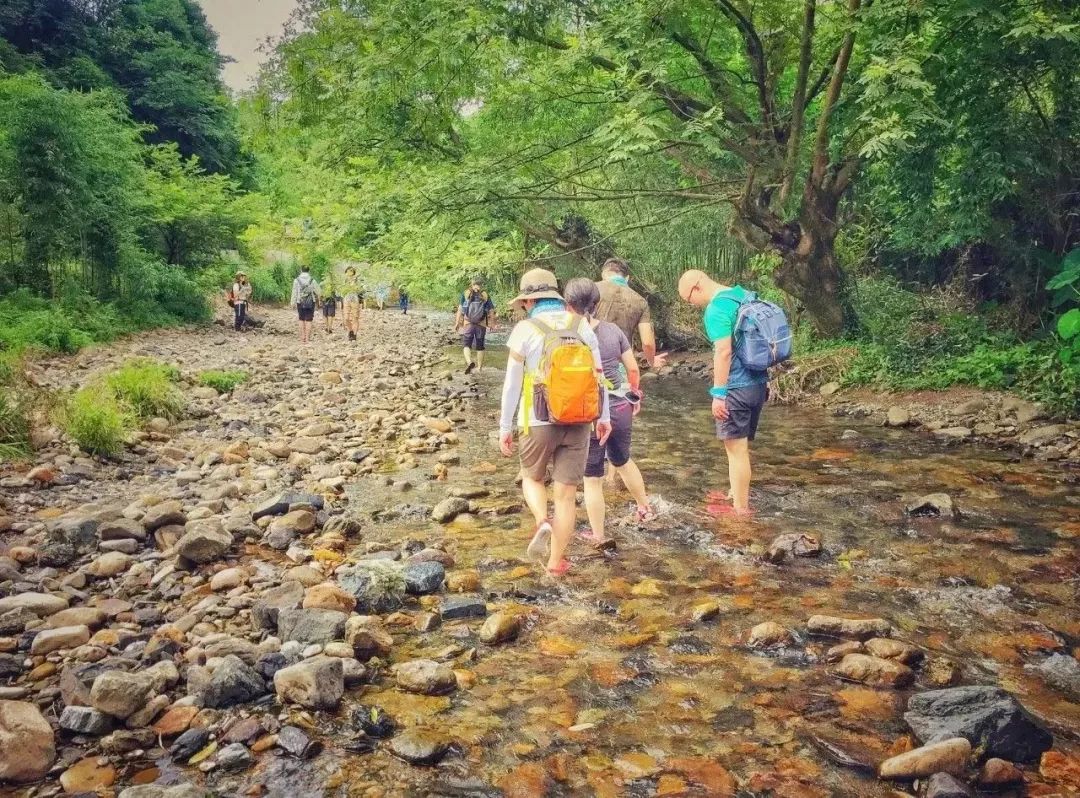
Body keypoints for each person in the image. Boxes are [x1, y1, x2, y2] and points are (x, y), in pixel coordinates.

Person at [499, 268, 611, 577]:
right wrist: (604, 417)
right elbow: (598, 377)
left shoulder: (525, 329)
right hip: (579, 420)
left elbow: (511, 384)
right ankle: (556, 563)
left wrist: (505, 428)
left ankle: (541, 521)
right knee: (566, 495)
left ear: (530, 300)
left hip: (538, 420)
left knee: (532, 478)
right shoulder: (582, 326)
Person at [564, 278, 655, 549]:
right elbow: (633, 370)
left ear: (567, 304)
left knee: (592, 479)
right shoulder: (613, 330)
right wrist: (634, 394)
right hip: (620, 406)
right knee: (623, 460)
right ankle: (645, 509)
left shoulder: (567, 334)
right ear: (596, 303)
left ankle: (598, 535)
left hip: (591, 412)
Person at [678, 269, 769, 517]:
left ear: (696, 287)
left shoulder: (716, 309)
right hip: (759, 383)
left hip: (736, 387)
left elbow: (723, 352)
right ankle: (734, 493)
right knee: (740, 447)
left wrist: (719, 394)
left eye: (688, 299)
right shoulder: (744, 295)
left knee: (736, 451)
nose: (692, 304)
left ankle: (740, 510)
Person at [595, 258, 667, 369]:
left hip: (592, 362)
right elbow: (647, 342)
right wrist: (651, 361)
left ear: (604, 274)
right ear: (627, 278)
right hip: (620, 365)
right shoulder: (640, 301)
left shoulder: (592, 290)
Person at [455, 276, 496, 374]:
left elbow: (460, 309)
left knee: (466, 345)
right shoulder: (485, 294)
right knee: (480, 346)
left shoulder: (466, 293)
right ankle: (479, 368)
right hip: (481, 324)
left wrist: (457, 322)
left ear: (472, 284)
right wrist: (492, 323)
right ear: (481, 285)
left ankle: (469, 362)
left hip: (468, 323)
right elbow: (491, 310)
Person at [290, 266, 321, 343]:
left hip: (300, 301)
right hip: (310, 302)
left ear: (301, 270)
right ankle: (307, 338)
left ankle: (302, 337)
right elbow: (319, 291)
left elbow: (294, 292)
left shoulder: (296, 280)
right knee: (309, 319)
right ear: (308, 271)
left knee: (301, 319)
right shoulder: (312, 280)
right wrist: (320, 299)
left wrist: (292, 302)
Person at [342, 266, 361, 341]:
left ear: (353, 273)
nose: (349, 273)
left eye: (351, 271)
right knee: (346, 318)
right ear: (346, 272)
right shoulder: (344, 281)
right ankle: (350, 330)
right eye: (348, 271)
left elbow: (360, 289)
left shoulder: (357, 280)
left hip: (355, 300)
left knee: (355, 317)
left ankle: (355, 335)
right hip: (346, 300)